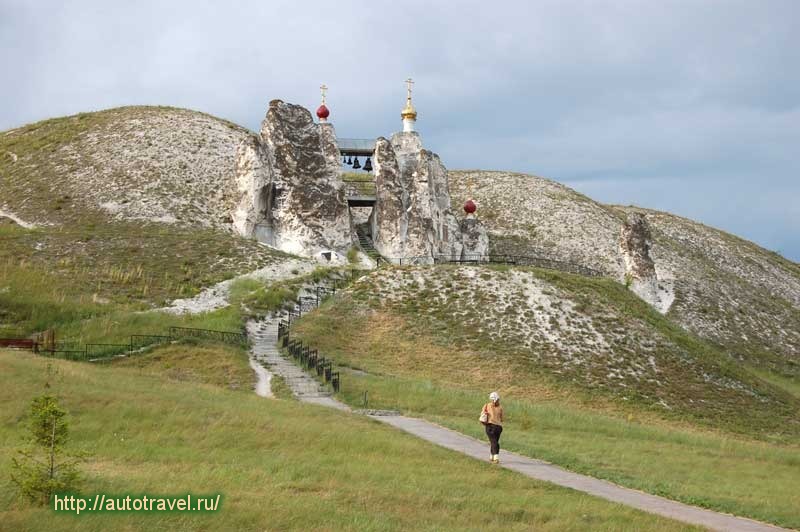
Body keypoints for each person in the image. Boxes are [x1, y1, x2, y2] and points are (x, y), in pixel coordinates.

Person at [481, 391, 504, 463]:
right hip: (499, 427)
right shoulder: (500, 407)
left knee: (493, 442)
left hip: (490, 426)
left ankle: (496, 457)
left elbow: (482, 415)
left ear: (491, 399)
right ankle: (492, 456)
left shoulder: (486, 405)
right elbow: (502, 419)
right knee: (494, 441)